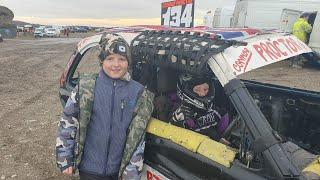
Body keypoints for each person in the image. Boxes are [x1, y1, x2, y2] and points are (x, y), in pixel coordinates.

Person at [56, 33, 154, 180]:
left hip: (118, 171)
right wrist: (64, 155)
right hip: (89, 168)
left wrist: (132, 171)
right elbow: (68, 122)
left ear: (128, 62)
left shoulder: (138, 92)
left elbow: (138, 136)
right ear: (102, 61)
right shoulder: (86, 87)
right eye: (110, 59)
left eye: (122, 59)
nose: (116, 64)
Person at [169, 74, 229, 140]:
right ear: (187, 91)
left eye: (206, 89)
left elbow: (225, 138)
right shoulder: (174, 108)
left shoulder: (219, 114)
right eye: (197, 90)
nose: (203, 94)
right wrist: (174, 121)